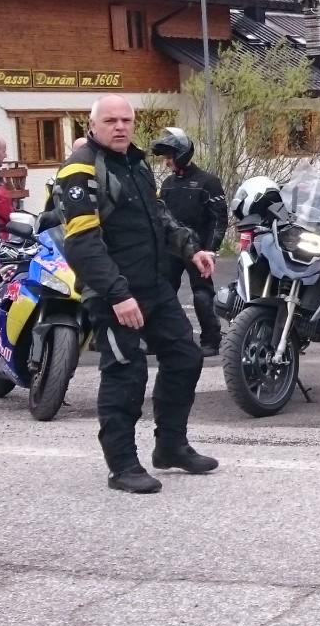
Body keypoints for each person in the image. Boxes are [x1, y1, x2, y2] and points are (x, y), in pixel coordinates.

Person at [57, 96, 218, 494]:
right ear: (93, 125)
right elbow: (82, 243)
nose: (120, 126)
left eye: (126, 120)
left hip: (154, 285)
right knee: (125, 372)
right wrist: (117, 294)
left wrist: (191, 249)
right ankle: (123, 465)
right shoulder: (80, 169)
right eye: (111, 120)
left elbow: (159, 216)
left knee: (186, 357)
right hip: (112, 292)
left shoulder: (136, 163)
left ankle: (171, 446)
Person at [151, 126, 227, 356]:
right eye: (165, 157)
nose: (167, 162)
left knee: (202, 295)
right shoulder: (168, 184)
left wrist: (211, 249)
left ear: (182, 154)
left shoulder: (208, 181)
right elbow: (161, 217)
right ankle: (159, 339)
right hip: (172, 248)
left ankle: (211, 341)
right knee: (162, 292)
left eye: (170, 157)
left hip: (199, 248)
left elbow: (219, 219)